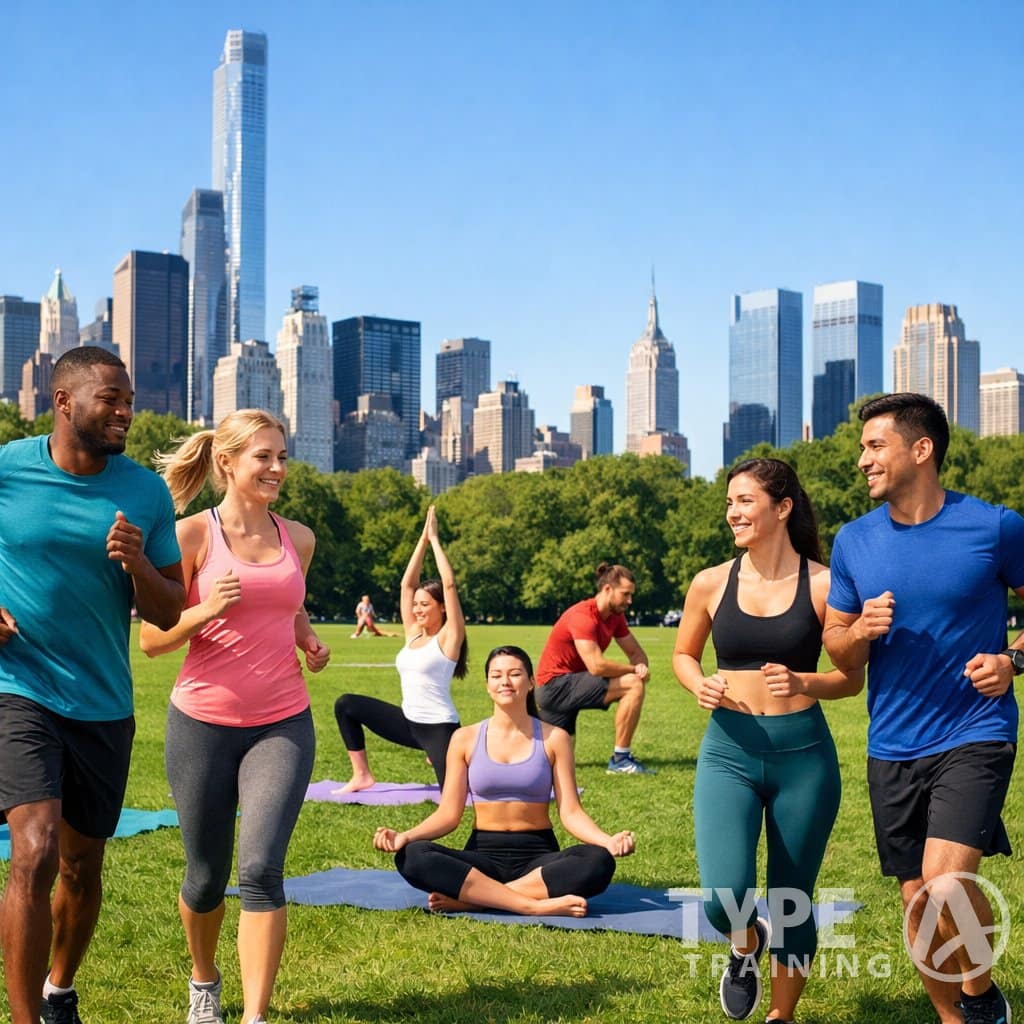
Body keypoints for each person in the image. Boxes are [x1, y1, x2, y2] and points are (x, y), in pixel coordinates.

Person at [823, 393, 1024, 1024]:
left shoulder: (995, 527)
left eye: (874, 445)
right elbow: (838, 648)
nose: (862, 460)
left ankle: (981, 991)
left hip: (975, 728)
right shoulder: (853, 541)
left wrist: (1013, 662)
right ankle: (958, 1014)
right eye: (862, 448)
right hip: (892, 745)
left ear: (921, 449)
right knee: (917, 905)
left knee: (943, 886)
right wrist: (859, 632)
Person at [0, 346, 185, 1024]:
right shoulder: (9, 469)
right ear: (64, 403)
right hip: (17, 684)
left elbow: (170, 610)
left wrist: (138, 564)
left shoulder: (144, 491)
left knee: (80, 867)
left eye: (128, 400)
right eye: (111, 399)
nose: (126, 412)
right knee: (36, 847)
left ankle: (58, 990)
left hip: (102, 700)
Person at [139, 409, 331, 1024]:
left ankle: (254, 1015)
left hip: (283, 723)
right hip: (201, 724)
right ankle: (204, 980)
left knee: (260, 870)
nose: (277, 469)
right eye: (264, 458)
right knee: (204, 876)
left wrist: (306, 639)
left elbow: (286, 601)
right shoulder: (193, 536)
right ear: (227, 463)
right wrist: (206, 610)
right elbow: (153, 640)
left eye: (282, 457)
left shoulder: (298, 537)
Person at [672, 457, 863, 1023]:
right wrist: (698, 683)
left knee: (792, 900)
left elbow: (852, 679)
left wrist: (806, 681)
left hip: (803, 757)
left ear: (782, 508)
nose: (733, 512)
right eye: (729, 502)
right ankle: (744, 945)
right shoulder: (710, 582)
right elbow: (684, 655)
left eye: (744, 501)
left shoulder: (826, 583)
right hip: (728, 751)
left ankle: (781, 1015)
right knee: (720, 897)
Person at [374, 645, 635, 915]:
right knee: (413, 856)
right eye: (496, 675)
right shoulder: (464, 738)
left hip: (538, 857)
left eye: (514, 674)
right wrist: (405, 836)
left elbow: (570, 812)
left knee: (598, 861)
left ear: (531, 682)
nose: (505, 682)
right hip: (482, 855)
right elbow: (448, 815)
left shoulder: (555, 738)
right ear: (487, 685)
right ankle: (532, 906)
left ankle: (476, 899)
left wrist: (607, 841)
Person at [334, 506, 467, 792]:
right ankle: (362, 775)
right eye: (416, 605)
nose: (417, 609)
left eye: (425, 605)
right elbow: (407, 585)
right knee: (346, 705)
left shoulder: (449, 637)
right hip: (407, 723)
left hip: (439, 728)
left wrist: (435, 541)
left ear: (442, 607)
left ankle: (468, 754)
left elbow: (450, 584)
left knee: (454, 792)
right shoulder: (412, 633)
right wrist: (421, 541)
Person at [535, 562, 654, 775]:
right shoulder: (582, 616)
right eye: (625, 594)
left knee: (556, 760)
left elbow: (636, 652)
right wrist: (633, 671)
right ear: (607, 589)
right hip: (555, 686)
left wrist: (641, 665)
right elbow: (596, 665)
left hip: (570, 684)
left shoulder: (615, 617)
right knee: (632, 685)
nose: (630, 601)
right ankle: (620, 760)